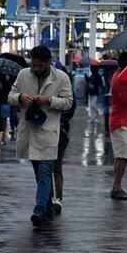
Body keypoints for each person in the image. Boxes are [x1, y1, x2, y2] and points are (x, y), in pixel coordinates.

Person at [8, 45, 74, 227]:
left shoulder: (61, 78)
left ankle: (39, 208)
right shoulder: (23, 75)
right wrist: (20, 97)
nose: (35, 69)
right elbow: (11, 96)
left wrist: (49, 100)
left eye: (39, 66)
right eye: (33, 65)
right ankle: (48, 208)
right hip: (29, 130)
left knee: (45, 171)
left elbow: (69, 102)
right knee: (39, 172)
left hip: (48, 132)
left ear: (47, 63)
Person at [109, 51, 127, 201]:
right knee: (123, 156)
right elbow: (126, 99)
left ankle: (116, 186)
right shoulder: (122, 79)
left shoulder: (119, 76)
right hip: (122, 122)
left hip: (121, 121)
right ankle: (117, 187)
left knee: (120, 156)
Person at [52, 61, 77, 214]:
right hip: (56, 132)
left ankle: (57, 199)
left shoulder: (66, 90)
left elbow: (69, 109)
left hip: (60, 132)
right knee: (53, 168)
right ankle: (54, 198)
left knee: (55, 167)